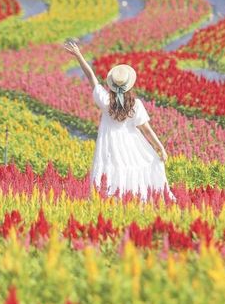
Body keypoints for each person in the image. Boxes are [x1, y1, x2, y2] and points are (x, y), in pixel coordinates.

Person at [63, 39, 173, 201]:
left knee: (112, 172)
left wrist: (79, 56)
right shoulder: (135, 105)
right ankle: (133, 199)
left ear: (111, 86)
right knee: (135, 167)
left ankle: (114, 200)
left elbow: (91, 76)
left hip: (109, 145)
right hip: (131, 145)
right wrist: (160, 148)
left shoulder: (106, 101)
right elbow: (147, 130)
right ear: (129, 86)